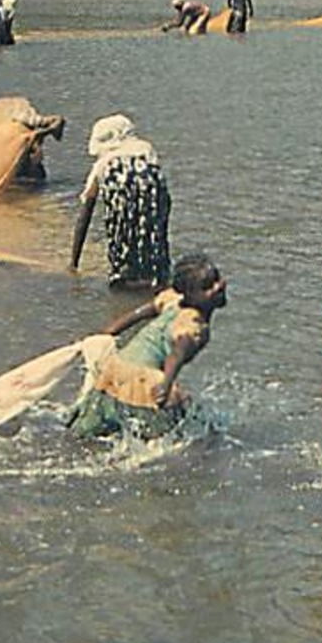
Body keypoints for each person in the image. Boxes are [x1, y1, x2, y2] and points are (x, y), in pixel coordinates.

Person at [66, 253, 228, 440]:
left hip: (113, 369)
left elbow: (137, 314)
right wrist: (166, 386)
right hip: (143, 381)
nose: (219, 286)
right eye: (207, 286)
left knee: (80, 437)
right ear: (190, 295)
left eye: (217, 278)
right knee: (188, 436)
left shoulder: (171, 300)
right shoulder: (194, 326)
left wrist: (105, 333)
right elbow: (176, 355)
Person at [70, 114, 172, 289]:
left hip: (121, 214)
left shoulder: (103, 164)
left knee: (123, 259)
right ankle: (156, 277)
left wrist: (73, 263)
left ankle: (123, 278)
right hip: (154, 204)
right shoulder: (146, 150)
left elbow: (85, 214)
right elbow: (160, 192)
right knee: (153, 248)